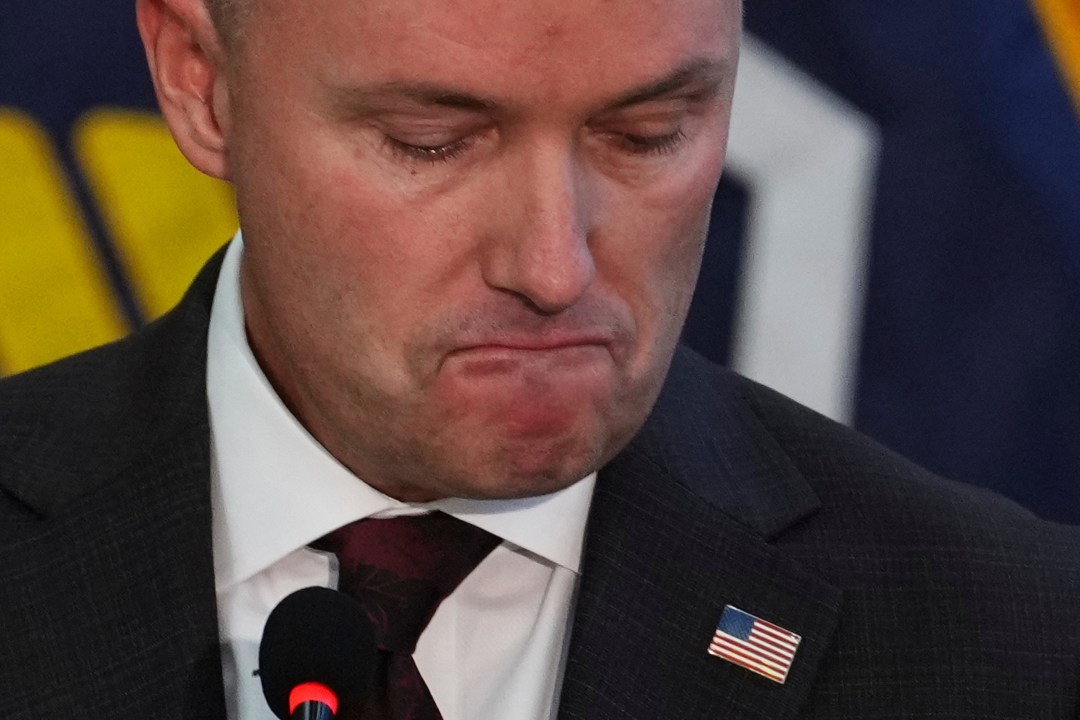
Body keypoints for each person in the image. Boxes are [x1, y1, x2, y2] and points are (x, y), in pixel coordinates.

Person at [1, 0, 1078, 717]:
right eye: (431, 140)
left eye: (649, 133)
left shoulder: (1020, 648)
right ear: (198, 80)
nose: (554, 267)